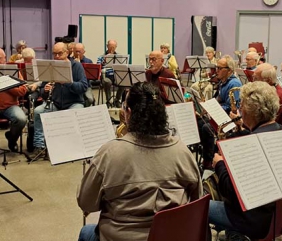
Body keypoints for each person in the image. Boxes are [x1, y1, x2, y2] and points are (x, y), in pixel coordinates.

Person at [77, 82, 202, 241]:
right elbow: (196, 201)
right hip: (170, 236)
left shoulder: (109, 153)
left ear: (128, 112)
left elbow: (86, 204)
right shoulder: (183, 152)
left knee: (86, 232)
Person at [210, 81, 282, 240]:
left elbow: (230, 191)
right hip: (277, 212)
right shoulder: (280, 130)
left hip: (252, 219)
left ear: (252, 111)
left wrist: (219, 165)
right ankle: (233, 234)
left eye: (241, 105)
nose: (239, 110)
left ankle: (235, 233)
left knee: (198, 208)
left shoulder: (252, 145)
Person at [27, 42, 88, 159]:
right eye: (54, 54)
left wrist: (68, 82)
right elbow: (43, 93)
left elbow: (83, 87)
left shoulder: (76, 66)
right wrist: (45, 90)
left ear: (67, 53)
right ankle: (39, 146)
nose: (57, 57)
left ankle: (72, 147)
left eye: (60, 53)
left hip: (74, 103)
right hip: (56, 103)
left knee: (75, 113)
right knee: (39, 111)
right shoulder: (51, 66)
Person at [199, 55, 242, 169]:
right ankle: (206, 153)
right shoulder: (223, 82)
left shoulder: (234, 84)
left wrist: (212, 109)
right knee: (199, 122)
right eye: (216, 67)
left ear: (229, 70)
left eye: (219, 68)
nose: (216, 70)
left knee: (206, 128)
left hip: (229, 119)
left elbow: (232, 107)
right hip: (219, 115)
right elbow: (219, 100)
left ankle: (209, 160)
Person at [0, 48, 28, 152]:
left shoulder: (11, 70)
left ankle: (12, 139)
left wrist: (8, 85)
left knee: (21, 119)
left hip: (10, 106)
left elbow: (23, 90)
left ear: (4, 59)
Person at [253, 63, 282, 128]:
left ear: (268, 80)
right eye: (253, 77)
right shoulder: (270, 91)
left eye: (256, 79)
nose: (253, 81)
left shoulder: (276, 96)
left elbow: (267, 124)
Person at [97, 39, 124, 107]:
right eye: (110, 47)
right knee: (107, 82)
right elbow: (98, 67)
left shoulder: (118, 56)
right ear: (107, 46)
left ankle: (117, 100)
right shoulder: (101, 56)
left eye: (114, 47)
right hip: (106, 76)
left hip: (116, 76)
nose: (112, 48)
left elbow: (122, 66)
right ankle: (108, 100)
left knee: (124, 81)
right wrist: (104, 61)